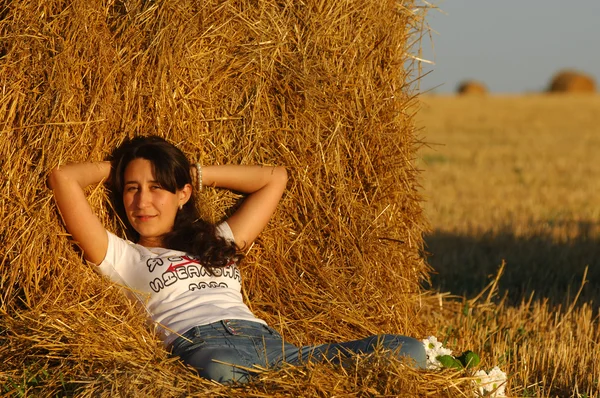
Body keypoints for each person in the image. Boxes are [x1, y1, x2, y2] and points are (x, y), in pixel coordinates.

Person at [48, 135, 426, 384]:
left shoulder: (217, 241)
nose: (142, 202)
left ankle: (292, 372)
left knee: (409, 350)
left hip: (265, 341)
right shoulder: (123, 256)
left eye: (157, 187)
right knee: (221, 368)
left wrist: (190, 171)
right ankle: (301, 378)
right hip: (204, 347)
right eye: (132, 189)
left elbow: (275, 178)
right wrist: (122, 165)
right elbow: (63, 178)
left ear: (183, 194)